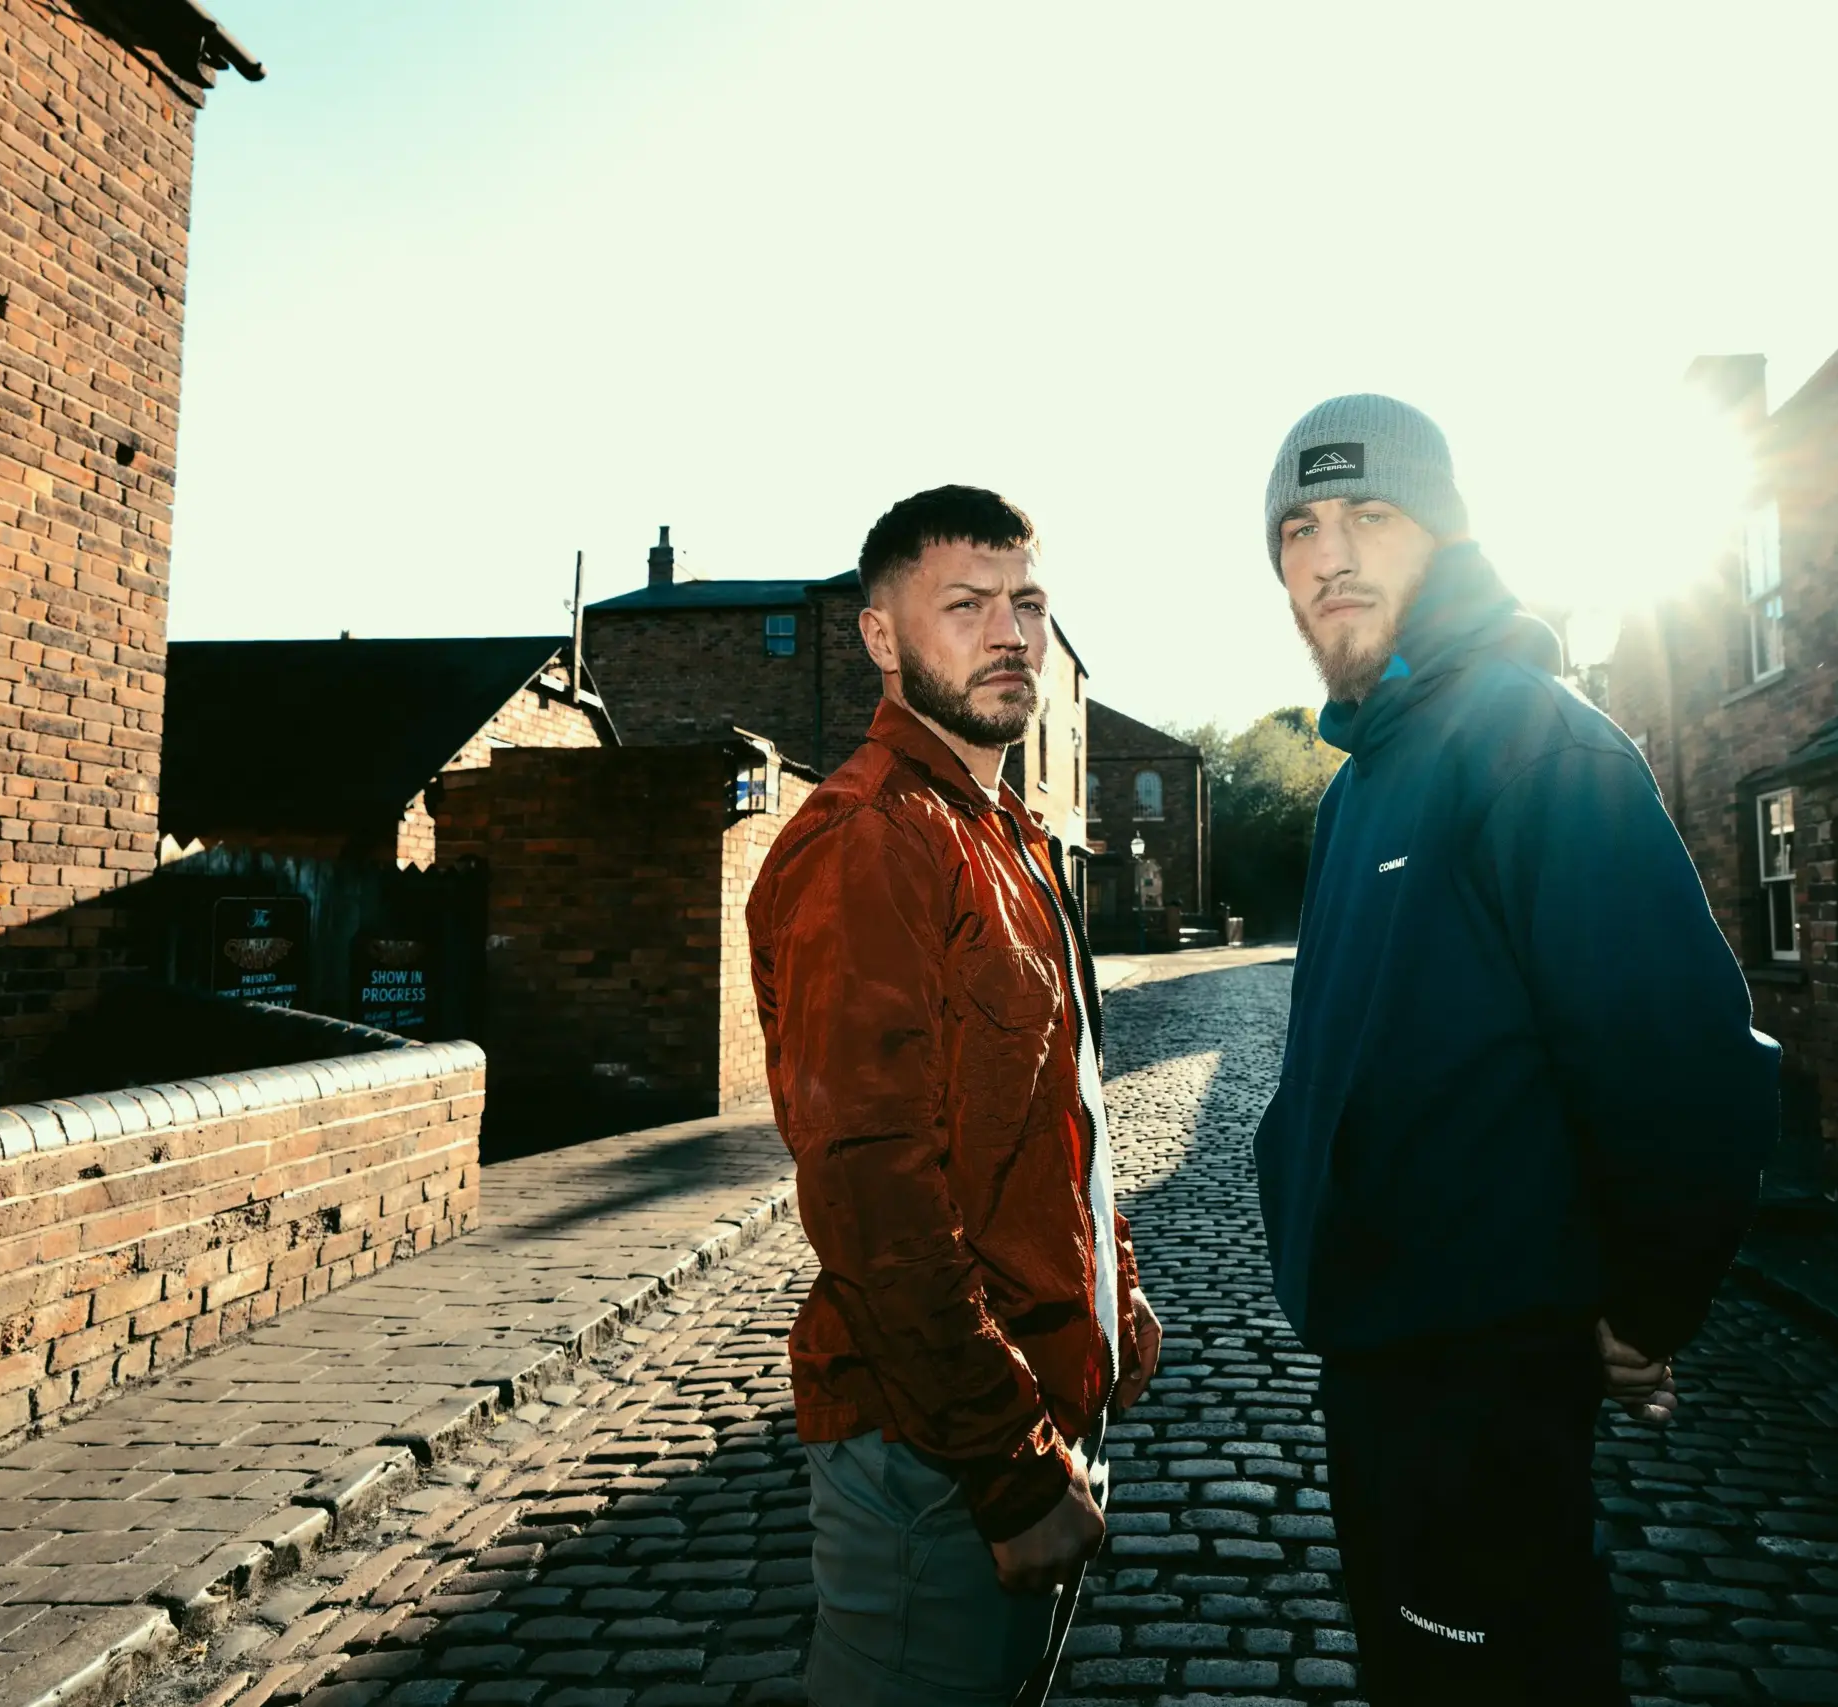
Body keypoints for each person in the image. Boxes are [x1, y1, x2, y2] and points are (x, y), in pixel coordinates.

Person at [1250, 396, 1781, 1704]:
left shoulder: (1530, 741)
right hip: (1377, 1364)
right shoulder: (1362, 782)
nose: (1331, 555)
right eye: (1299, 529)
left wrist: (1641, 1310)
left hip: (1479, 1386)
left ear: (1447, 535)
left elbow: (1686, 1065)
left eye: (1372, 513)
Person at [748, 485, 1163, 1707]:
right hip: (936, 1461)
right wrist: (1009, 1467)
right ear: (881, 638)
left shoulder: (1009, 835)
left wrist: (1112, 1286)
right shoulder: (872, 840)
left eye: (1027, 603)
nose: (1010, 634)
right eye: (967, 605)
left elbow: (1052, 1111)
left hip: (1045, 1398)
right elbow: (872, 1196)